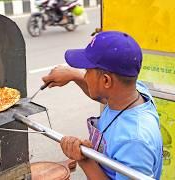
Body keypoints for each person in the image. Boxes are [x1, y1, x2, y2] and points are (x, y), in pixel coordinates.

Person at [42, 31, 163, 179]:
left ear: (106, 81)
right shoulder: (134, 92)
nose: (84, 76)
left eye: (87, 71)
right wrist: (72, 74)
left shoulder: (134, 142)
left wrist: (85, 159)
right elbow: (105, 95)